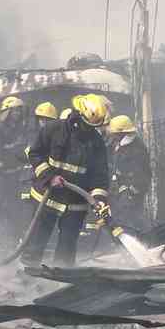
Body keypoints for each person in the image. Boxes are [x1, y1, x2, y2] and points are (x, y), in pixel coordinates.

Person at [23, 94, 112, 266]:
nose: (89, 129)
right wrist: (50, 177)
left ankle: (62, 273)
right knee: (38, 239)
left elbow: (100, 176)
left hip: (75, 203)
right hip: (47, 196)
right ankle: (27, 271)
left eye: (94, 126)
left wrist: (99, 199)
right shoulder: (54, 129)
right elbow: (35, 153)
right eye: (87, 124)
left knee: (68, 245)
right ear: (78, 114)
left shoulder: (97, 143)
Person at [0, 96, 31, 239]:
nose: (17, 114)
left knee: (17, 204)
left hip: (17, 173)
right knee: (4, 202)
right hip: (3, 175)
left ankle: (16, 234)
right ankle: (0, 234)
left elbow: (23, 148)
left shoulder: (20, 129)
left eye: (19, 111)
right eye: (15, 111)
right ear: (7, 112)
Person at [106, 115, 151, 234]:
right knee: (120, 219)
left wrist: (132, 191)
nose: (112, 136)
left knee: (130, 219)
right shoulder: (118, 145)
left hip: (131, 191)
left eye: (114, 133)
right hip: (120, 190)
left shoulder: (136, 149)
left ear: (122, 133)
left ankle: (142, 239)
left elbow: (142, 173)